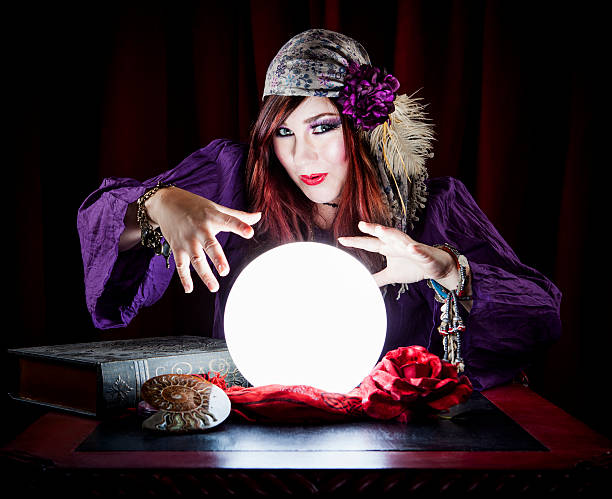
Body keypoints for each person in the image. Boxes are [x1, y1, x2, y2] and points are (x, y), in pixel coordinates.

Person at [78, 29, 561, 391]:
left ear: (362, 130)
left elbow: (539, 316)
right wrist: (159, 204)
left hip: (397, 447)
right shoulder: (235, 182)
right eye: (284, 132)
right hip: (255, 433)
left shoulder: (434, 208)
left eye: (323, 127)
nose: (301, 156)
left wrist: (449, 270)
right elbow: (100, 222)